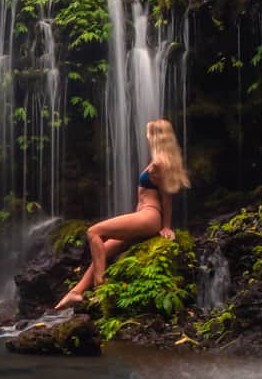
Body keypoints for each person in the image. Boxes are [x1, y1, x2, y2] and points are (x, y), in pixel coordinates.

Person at [54, 119, 190, 310]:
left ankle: (100, 285)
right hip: (144, 217)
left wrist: (166, 226)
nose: (147, 137)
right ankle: (76, 292)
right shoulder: (159, 162)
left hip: (149, 217)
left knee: (94, 232)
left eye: (149, 134)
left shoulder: (158, 165)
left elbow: (166, 199)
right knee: (105, 249)